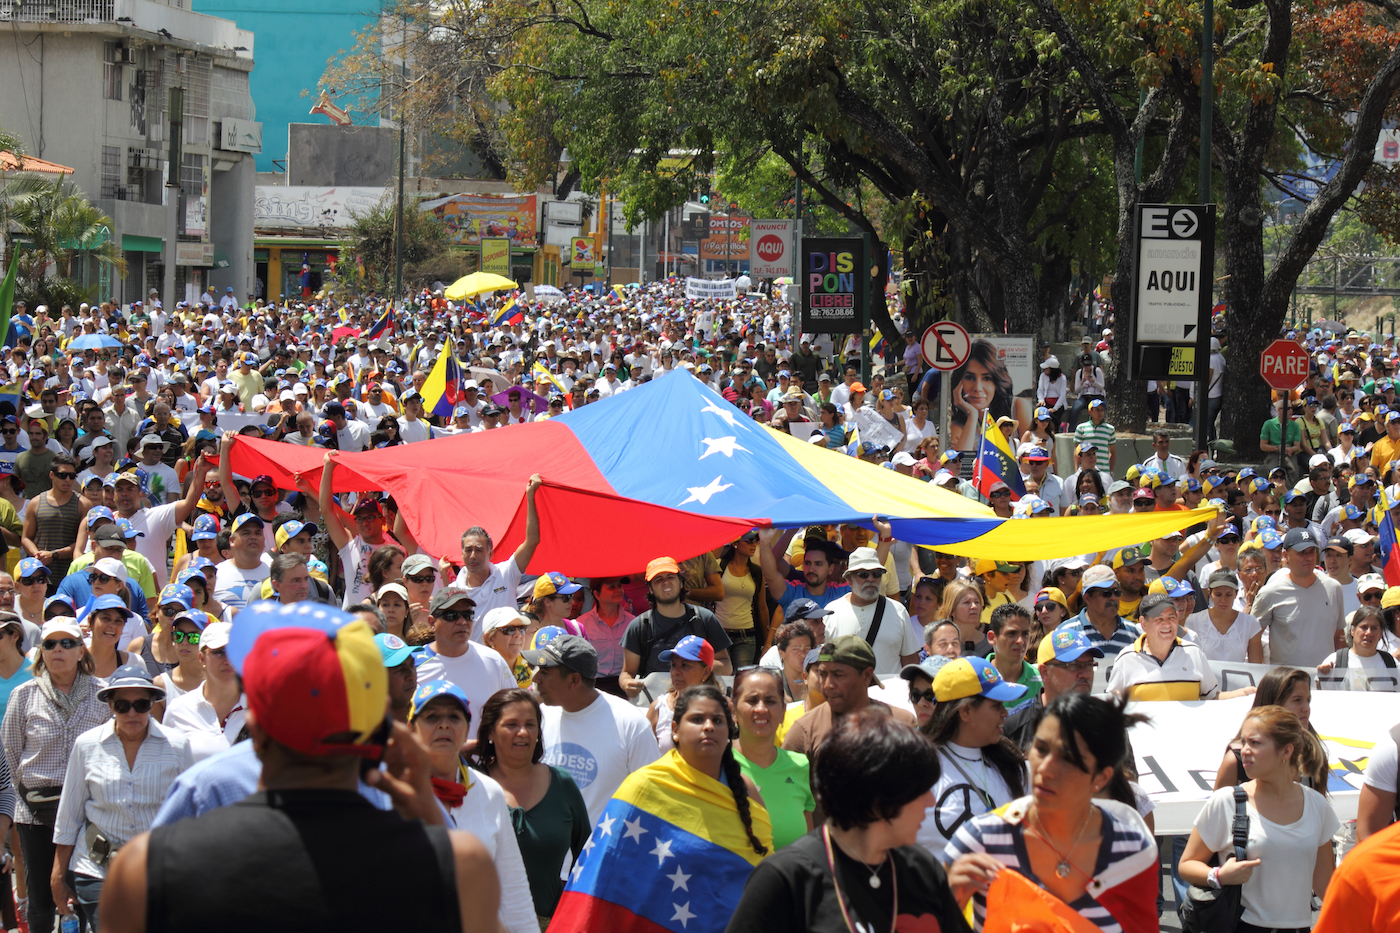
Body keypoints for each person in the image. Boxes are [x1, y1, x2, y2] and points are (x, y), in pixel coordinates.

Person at [98, 600, 503, 933]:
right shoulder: (462, 866)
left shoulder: (142, 869)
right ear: (378, 725)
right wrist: (428, 812)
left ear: (253, 725)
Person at [550, 683, 771, 933]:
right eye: (697, 719)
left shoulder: (745, 790)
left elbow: (759, 876)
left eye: (718, 721)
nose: (709, 726)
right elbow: (606, 872)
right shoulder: (643, 786)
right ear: (675, 730)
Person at [725, 709, 970, 933]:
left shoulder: (922, 869)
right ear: (877, 797)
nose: (930, 801)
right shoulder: (786, 878)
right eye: (920, 790)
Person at [944, 694, 1159, 933]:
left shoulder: (1133, 852)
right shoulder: (978, 841)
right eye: (1041, 749)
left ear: (1101, 777)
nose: (1045, 768)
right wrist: (950, 901)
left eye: (1068, 758)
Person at [52, 664, 193, 930]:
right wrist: (58, 873)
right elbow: (69, 813)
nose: (131, 713)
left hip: (158, 872)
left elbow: (189, 814)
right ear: (110, 705)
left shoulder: (177, 745)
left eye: (141, 705)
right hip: (96, 868)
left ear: (152, 704)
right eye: (122, 705)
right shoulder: (86, 745)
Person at [1180, 705, 1339, 933]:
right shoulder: (1227, 801)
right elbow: (1186, 865)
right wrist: (1218, 875)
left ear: (1286, 751)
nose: (1244, 750)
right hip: (1241, 926)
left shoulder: (1316, 805)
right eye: (1243, 742)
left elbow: (1326, 884)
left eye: (1254, 743)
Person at [1, 617, 110, 933]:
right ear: (41, 651)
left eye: (67, 643)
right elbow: (10, 753)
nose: (58, 649)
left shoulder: (103, 695)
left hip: (89, 812)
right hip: (35, 811)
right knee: (40, 899)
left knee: (88, 892)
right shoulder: (23, 695)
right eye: (50, 644)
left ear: (81, 650)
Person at [406, 680, 537, 933]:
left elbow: (513, 889)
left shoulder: (489, 793)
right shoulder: (393, 792)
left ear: (467, 728)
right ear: (411, 728)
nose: (444, 724)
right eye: (432, 717)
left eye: (454, 717)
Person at [471, 688, 590, 929]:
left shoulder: (562, 783)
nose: (523, 732)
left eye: (530, 724)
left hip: (552, 923)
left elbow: (588, 857)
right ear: (491, 731)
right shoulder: (471, 785)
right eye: (511, 724)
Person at [527, 634, 659, 824]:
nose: (536, 678)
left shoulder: (631, 724)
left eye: (545, 672)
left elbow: (650, 796)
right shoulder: (540, 717)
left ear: (573, 680)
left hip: (602, 851)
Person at [917, 656, 1028, 856]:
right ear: (966, 711)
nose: (1005, 713)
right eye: (996, 705)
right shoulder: (915, 768)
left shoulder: (1013, 764)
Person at [783, 636, 915, 767]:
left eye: (838, 675)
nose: (828, 684)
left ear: (867, 676)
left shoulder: (902, 723)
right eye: (823, 674)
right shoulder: (806, 730)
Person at [620, 556, 734, 697]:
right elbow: (627, 673)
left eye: (671, 577)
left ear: (681, 583)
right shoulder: (638, 627)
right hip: (654, 703)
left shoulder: (704, 619)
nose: (665, 582)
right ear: (650, 589)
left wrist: (694, 669)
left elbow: (726, 666)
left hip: (698, 701)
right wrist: (627, 684)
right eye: (658, 579)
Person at [447, 475, 544, 636]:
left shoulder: (506, 573)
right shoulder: (453, 592)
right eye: (468, 550)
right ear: (462, 554)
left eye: (478, 550)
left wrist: (530, 496)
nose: (472, 556)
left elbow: (532, 541)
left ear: (490, 553)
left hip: (509, 659)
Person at [731, 667, 814, 851]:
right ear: (733, 710)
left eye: (770, 701)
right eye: (752, 700)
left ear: (784, 712)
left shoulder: (800, 766)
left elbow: (809, 850)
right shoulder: (715, 765)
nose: (761, 709)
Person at [414, 587, 517, 724]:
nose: (462, 622)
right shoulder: (413, 663)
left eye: (468, 615)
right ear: (432, 623)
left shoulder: (493, 660)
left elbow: (515, 710)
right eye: (452, 616)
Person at [1253, 526, 1346, 666]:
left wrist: (1340, 674)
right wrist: (1259, 673)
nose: (1308, 557)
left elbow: (1339, 636)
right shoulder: (1270, 593)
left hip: (1325, 682)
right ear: (1286, 556)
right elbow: (1253, 636)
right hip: (1286, 682)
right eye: (1302, 553)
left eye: (1312, 551)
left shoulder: (1333, 588)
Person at [824, 546, 920, 673]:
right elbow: (823, 658)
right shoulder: (832, 611)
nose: (871, 579)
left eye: (876, 574)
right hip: (845, 692)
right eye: (863, 574)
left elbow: (910, 661)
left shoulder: (898, 611)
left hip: (888, 692)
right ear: (849, 580)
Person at [160, 622, 246, 761]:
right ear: (201, 658)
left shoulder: (262, 710)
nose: (228, 660)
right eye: (219, 652)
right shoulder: (178, 710)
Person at [646, 635, 718, 753]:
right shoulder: (658, 709)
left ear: (705, 672)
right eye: (674, 665)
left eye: (685, 665)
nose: (675, 672)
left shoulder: (720, 710)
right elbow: (643, 756)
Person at [1184, 568, 1263, 662]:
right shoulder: (1193, 621)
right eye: (1218, 594)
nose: (1223, 600)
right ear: (1210, 593)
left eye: (1228, 595)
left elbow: (1256, 665)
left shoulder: (1251, 623)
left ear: (1236, 593)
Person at [715, 530, 769, 667]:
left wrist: (767, 639)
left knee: (741, 680)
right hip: (719, 634)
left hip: (747, 636)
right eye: (749, 541)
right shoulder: (719, 566)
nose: (754, 544)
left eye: (756, 540)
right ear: (735, 543)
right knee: (721, 678)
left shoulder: (756, 572)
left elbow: (762, 607)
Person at [574, 575, 635, 696]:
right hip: (592, 688)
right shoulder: (581, 624)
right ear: (597, 595)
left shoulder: (633, 623)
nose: (618, 590)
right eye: (612, 587)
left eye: (619, 586)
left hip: (625, 687)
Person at [1316, 604, 1400, 691]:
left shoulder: (1391, 664)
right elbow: (1318, 696)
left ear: (1381, 634)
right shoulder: (1335, 660)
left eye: (1374, 628)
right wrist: (1323, 677)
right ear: (1352, 630)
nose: (1369, 633)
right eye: (1364, 627)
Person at [479, 606, 534, 688]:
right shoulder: (480, 671)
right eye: (510, 629)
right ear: (490, 638)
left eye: (521, 628)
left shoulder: (532, 667)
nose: (518, 635)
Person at [900, 655, 952, 726]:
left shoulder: (968, 736)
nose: (921, 703)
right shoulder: (906, 736)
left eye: (930, 695)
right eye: (915, 696)